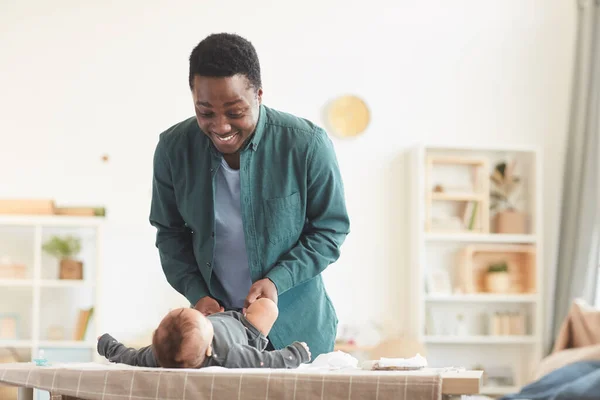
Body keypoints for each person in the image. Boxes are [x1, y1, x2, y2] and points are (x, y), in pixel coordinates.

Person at [149, 32, 350, 360]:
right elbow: (170, 235)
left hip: (298, 332)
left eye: (234, 111)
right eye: (206, 112)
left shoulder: (306, 145)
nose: (221, 125)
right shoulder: (174, 149)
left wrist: (276, 281)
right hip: (214, 337)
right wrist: (197, 294)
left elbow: (330, 231)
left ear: (258, 95)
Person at [97, 298, 311, 369]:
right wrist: (296, 353)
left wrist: (107, 344)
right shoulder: (230, 355)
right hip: (244, 328)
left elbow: (127, 356)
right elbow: (267, 361)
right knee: (268, 307)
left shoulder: (157, 355)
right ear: (209, 348)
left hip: (220, 319)